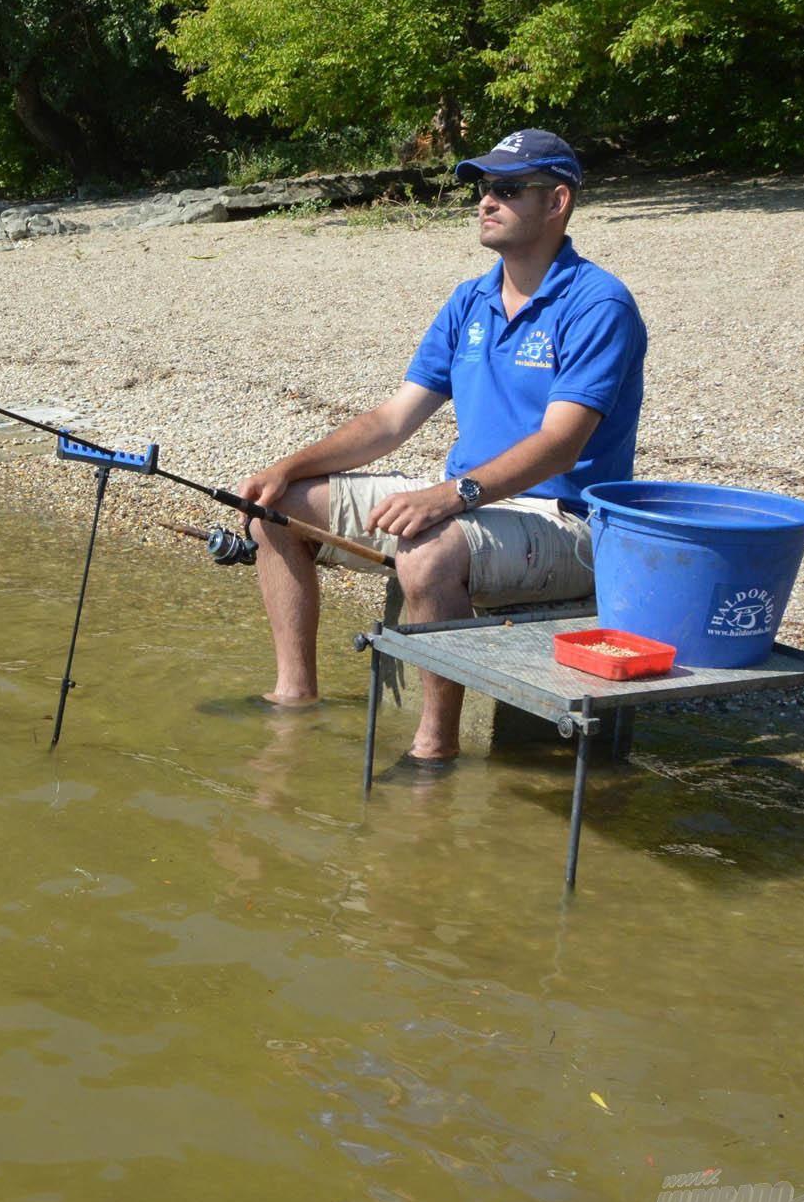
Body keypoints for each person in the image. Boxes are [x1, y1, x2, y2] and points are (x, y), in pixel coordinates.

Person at [235, 128, 646, 766]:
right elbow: (394, 419)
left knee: (427, 554)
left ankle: (434, 750)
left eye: (508, 189)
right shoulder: (469, 300)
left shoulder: (599, 304)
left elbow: (562, 446)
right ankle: (295, 699)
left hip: (568, 521)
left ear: (557, 201)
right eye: (484, 188)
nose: (486, 201)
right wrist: (288, 467)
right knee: (279, 510)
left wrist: (449, 497)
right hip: (475, 504)